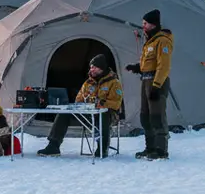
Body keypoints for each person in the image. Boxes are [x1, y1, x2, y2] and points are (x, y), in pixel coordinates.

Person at [37, 55, 123, 158]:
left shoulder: (114, 83)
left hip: (108, 116)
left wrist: (103, 104)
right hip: (89, 113)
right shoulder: (88, 83)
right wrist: (84, 104)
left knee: (103, 114)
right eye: (91, 67)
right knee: (65, 113)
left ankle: (102, 148)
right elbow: (78, 99)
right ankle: (53, 146)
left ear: (102, 68)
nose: (92, 70)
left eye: (94, 67)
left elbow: (116, 103)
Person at [125, 9, 173, 160]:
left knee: (157, 115)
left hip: (155, 81)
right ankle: (150, 147)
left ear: (153, 24)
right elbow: (149, 64)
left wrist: (157, 85)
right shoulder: (150, 42)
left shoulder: (162, 40)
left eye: (145, 23)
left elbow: (163, 65)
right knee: (145, 116)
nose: (143, 26)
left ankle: (161, 150)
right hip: (146, 80)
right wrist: (137, 68)